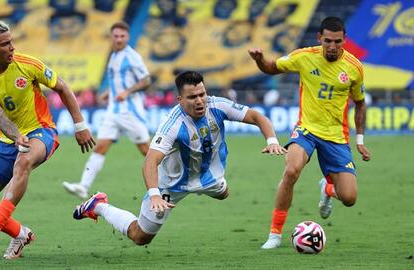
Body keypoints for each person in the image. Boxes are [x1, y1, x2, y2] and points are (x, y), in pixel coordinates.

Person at [71, 70, 287, 246]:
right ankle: (99, 205)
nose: (200, 100)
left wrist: (272, 141)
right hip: (171, 186)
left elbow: (257, 117)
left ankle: (210, 184)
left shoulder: (217, 105)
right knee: (140, 237)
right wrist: (155, 195)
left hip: (208, 176)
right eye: (193, 97)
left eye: (202, 94)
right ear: (180, 99)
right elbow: (150, 161)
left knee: (224, 194)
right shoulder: (172, 124)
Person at [0, 20, 95, 259]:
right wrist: (16, 137)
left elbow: (63, 88)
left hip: (41, 130)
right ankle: (20, 234)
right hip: (8, 139)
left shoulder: (27, 64)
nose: (12, 47)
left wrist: (80, 126)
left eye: (12, 41)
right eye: (5, 44)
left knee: (23, 161)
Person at [247, 16, 371, 249]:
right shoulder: (304, 56)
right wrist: (260, 60)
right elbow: (272, 68)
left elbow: (360, 103)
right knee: (292, 169)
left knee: (349, 198)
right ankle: (275, 234)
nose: (332, 46)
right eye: (328, 41)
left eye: (337, 41)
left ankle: (326, 187)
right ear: (319, 38)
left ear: (344, 40)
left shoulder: (354, 67)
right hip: (307, 129)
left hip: (336, 137)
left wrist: (360, 139)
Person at [62, 21, 151, 199]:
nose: (118, 39)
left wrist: (127, 92)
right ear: (111, 37)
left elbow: (146, 80)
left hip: (129, 112)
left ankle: (172, 177)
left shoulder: (131, 56)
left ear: (128, 37)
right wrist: (109, 92)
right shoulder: (114, 55)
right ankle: (83, 186)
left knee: (147, 151)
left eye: (122, 36)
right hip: (113, 112)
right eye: (116, 36)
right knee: (100, 147)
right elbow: (121, 80)